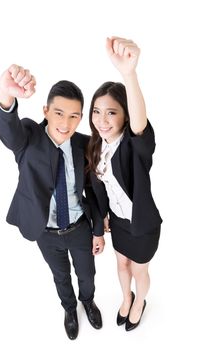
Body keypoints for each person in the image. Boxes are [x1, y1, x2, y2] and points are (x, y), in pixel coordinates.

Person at [0, 64, 105, 340]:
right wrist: (6, 96)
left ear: (81, 118)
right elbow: (9, 132)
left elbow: (94, 190)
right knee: (60, 275)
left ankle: (87, 302)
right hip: (45, 230)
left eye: (73, 116)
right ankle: (69, 309)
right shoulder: (28, 138)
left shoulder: (84, 144)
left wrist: (98, 230)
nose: (65, 123)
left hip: (79, 227)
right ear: (45, 111)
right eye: (58, 113)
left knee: (87, 274)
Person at [86, 37, 162, 331]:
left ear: (125, 116)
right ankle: (125, 297)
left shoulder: (133, 146)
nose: (102, 120)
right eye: (96, 111)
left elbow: (140, 126)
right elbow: (96, 188)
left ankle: (140, 301)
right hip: (117, 223)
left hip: (142, 224)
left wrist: (128, 74)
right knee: (121, 265)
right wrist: (103, 215)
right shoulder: (94, 147)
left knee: (140, 269)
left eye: (111, 112)